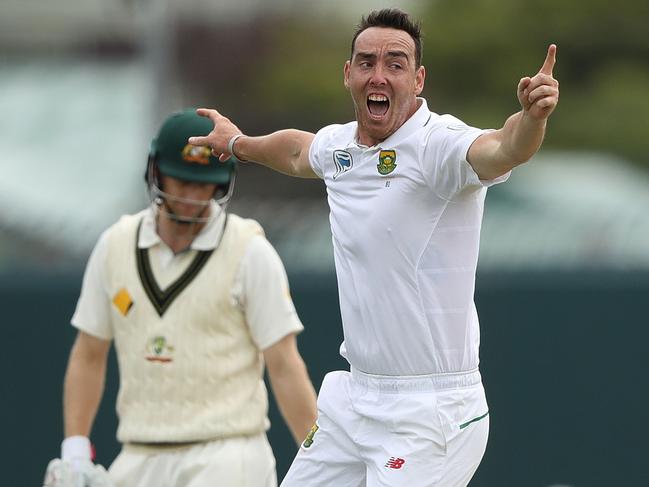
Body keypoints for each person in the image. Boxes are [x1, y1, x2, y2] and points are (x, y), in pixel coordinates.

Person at [189, 8, 559, 487]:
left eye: (395, 63)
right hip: (355, 399)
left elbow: (503, 148)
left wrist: (532, 119)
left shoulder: (438, 147)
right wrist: (238, 142)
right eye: (366, 62)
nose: (378, 75)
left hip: (433, 411)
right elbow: (299, 152)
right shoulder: (341, 148)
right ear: (349, 74)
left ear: (418, 79)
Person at [43, 110, 318, 487]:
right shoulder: (115, 245)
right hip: (138, 453)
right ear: (156, 172)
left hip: (227, 455)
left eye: (203, 184)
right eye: (182, 181)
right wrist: (74, 449)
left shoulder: (249, 251)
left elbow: (285, 365)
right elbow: (89, 353)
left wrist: (323, 459)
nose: (192, 197)